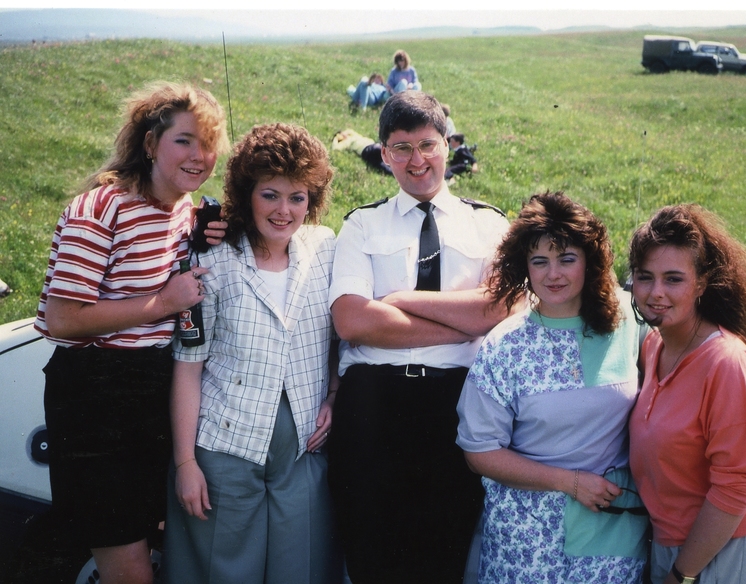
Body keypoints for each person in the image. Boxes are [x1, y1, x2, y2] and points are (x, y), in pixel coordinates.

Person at [32, 81, 230, 584]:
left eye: (208, 144)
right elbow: (63, 319)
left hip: (156, 388)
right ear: (149, 143)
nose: (199, 156)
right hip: (96, 397)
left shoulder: (185, 210)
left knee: (159, 550)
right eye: (184, 140)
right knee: (130, 570)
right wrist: (164, 303)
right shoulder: (99, 209)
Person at [327, 90, 513, 584]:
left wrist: (401, 301)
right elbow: (352, 320)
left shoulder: (489, 225)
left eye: (428, 144)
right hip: (373, 404)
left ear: (448, 145)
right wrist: (463, 321)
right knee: (370, 554)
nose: (417, 159)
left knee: (443, 554)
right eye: (402, 147)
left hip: (457, 404)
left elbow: (497, 310)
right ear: (384, 154)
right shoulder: (362, 225)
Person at [162, 122, 341, 584]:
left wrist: (333, 397)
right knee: (225, 571)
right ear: (247, 194)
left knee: (298, 570)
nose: (284, 211)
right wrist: (186, 463)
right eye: (271, 195)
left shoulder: (324, 249)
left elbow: (341, 342)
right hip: (225, 449)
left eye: (298, 197)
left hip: (302, 449)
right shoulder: (212, 260)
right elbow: (187, 367)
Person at [456, 191, 647, 583]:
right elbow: (479, 451)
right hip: (524, 542)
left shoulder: (628, 321)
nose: (553, 274)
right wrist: (569, 482)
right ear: (524, 266)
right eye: (539, 261)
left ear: (589, 261)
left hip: (611, 532)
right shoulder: (503, 346)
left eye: (567, 259)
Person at [628, 204, 746, 584]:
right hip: (677, 549)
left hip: (725, 552)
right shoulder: (654, 346)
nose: (656, 292)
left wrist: (682, 574)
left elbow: (739, 483)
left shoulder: (726, 364)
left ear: (701, 283)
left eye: (673, 279)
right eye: (645, 277)